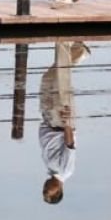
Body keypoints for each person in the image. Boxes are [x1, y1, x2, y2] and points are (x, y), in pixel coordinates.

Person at [40, 42, 88, 205]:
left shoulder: (51, 169)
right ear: (59, 191)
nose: (45, 189)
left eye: (43, 192)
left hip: (49, 119)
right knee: (61, 79)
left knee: (47, 79)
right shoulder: (65, 170)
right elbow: (69, 145)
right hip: (61, 121)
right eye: (48, 192)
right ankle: (63, 39)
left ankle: (79, 52)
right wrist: (67, 122)